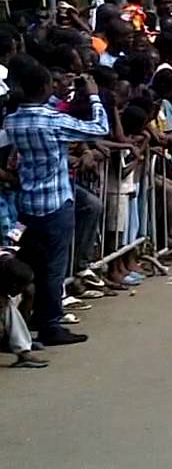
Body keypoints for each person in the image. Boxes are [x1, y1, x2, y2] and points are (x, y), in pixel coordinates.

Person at [5, 55, 109, 346]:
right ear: (43, 87)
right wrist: (94, 97)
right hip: (55, 199)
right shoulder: (52, 120)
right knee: (54, 266)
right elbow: (99, 127)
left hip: (27, 201)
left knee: (35, 262)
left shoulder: (13, 120)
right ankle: (51, 323)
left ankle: (35, 317)